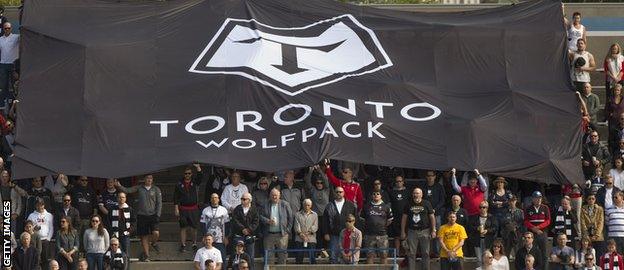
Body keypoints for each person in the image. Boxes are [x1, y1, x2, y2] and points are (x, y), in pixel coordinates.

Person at [115, 174, 162, 262]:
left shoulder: (156, 189)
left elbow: (159, 203)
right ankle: (147, 255)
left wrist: (158, 215)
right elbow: (128, 190)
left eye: (151, 178)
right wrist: (119, 186)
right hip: (141, 215)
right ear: (144, 179)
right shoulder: (139, 188)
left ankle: (154, 243)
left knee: (156, 233)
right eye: (147, 178)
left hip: (153, 215)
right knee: (144, 236)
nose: (149, 179)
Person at [401, 187, 434, 270]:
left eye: (418, 193)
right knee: (411, 253)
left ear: (422, 195)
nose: (416, 195)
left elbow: (432, 217)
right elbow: (404, 218)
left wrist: (433, 230)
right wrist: (402, 231)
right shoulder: (408, 204)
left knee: (426, 253)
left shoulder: (427, 203)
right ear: (412, 194)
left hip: (425, 231)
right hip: (412, 231)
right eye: (414, 193)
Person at [323, 186, 357, 264]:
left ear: (344, 193)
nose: (339, 193)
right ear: (334, 193)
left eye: (340, 192)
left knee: (347, 257)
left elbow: (356, 219)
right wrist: (326, 233)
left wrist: (354, 232)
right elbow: (325, 220)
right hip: (334, 234)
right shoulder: (329, 205)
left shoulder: (350, 205)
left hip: (348, 234)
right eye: (337, 192)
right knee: (333, 257)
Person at [174, 164, 204, 252]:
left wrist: (198, 167)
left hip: (193, 208)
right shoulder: (179, 184)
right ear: (184, 174)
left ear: (191, 174)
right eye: (186, 173)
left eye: (189, 173)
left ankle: (194, 243)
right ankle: (183, 244)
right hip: (183, 208)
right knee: (183, 227)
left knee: (193, 227)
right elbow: (175, 197)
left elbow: (200, 177)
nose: (187, 175)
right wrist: (176, 208)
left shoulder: (194, 182)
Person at [260, 188, 293, 264]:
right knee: (269, 258)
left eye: (276, 195)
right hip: (268, 235)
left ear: (279, 195)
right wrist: (268, 221)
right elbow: (260, 216)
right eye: (272, 195)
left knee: (282, 256)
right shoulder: (265, 204)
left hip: (282, 235)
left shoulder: (285, 204)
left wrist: (287, 231)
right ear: (270, 196)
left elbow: (290, 218)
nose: (274, 197)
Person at [419, 170, 445, 257]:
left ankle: (437, 253)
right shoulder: (423, 187)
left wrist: (434, 209)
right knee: (426, 234)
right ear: (426, 177)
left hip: (436, 214)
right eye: (428, 176)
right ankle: (427, 253)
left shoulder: (439, 187)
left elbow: (442, 201)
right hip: (425, 215)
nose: (430, 177)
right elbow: (420, 200)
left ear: (435, 176)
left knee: (437, 233)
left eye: (432, 175)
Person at [362, 189, 393, 265]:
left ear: (381, 196)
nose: (376, 195)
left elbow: (390, 220)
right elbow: (362, 220)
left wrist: (381, 226)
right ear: (372, 196)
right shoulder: (366, 206)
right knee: (369, 256)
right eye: (374, 194)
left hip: (382, 235)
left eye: (378, 194)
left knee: (384, 255)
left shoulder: (386, 207)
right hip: (369, 235)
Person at [303, 165, 331, 247]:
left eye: (321, 183)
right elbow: (308, 182)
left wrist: (320, 170)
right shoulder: (313, 190)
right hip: (315, 216)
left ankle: (326, 252)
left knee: (326, 234)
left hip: (325, 216)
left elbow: (326, 180)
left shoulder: (326, 190)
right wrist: (311, 171)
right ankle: (318, 252)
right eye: (318, 183)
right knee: (317, 234)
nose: (319, 184)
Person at [230, 192, 259, 267]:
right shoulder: (237, 208)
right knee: (237, 255)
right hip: (239, 235)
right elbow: (235, 220)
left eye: (244, 199)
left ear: (249, 200)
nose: (242, 200)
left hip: (250, 235)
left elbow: (256, 222)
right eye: (241, 199)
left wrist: (249, 230)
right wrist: (243, 229)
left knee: (250, 256)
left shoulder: (254, 209)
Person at [200, 193, 228, 264]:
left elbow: (227, 224)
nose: (214, 199)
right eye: (212, 198)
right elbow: (202, 224)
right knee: (209, 260)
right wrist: (204, 236)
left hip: (220, 239)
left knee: (222, 259)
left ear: (218, 199)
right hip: (208, 239)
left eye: (216, 197)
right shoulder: (205, 210)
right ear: (210, 199)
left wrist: (226, 237)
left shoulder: (223, 210)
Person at [524, 191, 550, 267]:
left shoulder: (545, 208)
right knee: (532, 253)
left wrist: (538, 227)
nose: (538, 200)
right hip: (532, 234)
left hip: (542, 233)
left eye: (540, 198)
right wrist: (533, 228)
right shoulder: (528, 208)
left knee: (544, 253)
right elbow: (525, 221)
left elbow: (548, 220)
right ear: (532, 199)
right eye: (536, 198)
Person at [26, 198, 54, 270]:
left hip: (45, 240)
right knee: (35, 258)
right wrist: (34, 228)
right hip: (34, 239)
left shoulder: (49, 215)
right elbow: (27, 227)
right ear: (35, 206)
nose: (39, 207)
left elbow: (51, 228)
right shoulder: (31, 215)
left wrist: (48, 239)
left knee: (45, 259)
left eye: (41, 205)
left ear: (44, 205)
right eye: (38, 205)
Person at [70, 176, 98, 245]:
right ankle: (77, 253)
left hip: (88, 219)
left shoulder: (91, 191)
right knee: (76, 236)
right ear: (79, 180)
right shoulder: (74, 190)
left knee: (87, 237)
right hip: (77, 218)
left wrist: (93, 217)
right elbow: (70, 204)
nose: (84, 181)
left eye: (86, 180)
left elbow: (95, 206)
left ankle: (85, 252)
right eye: (82, 180)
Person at [389, 175, 410, 256]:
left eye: (400, 181)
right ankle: (397, 253)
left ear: (403, 182)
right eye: (397, 181)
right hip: (395, 217)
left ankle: (406, 253)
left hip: (406, 216)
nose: (398, 183)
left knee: (405, 235)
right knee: (396, 236)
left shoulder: (407, 192)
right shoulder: (392, 192)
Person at [294, 199, 318, 264]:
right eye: (305, 205)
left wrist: (307, 234)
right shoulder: (297, 214)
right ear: (303, 205)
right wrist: (301, 234)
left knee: (312, 257)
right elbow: (296, 226)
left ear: (311, 206)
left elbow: (315, 226)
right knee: (299, 257)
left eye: (308, 205)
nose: (306, 207)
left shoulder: (315, 215)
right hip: (299, 238)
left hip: (311, 238)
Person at [0, 22, 18, 106]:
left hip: (13, 65)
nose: (7, 29)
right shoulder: (0, 39)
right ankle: (3, 102)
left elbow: (25, 37)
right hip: (3, 64)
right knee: (4, 85)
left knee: (14, 84)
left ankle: (15, 102)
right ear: (3, 29)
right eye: (5, 28)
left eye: (8, 28)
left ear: (11, 28)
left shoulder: (16, 37)